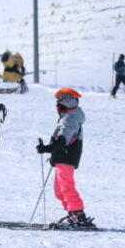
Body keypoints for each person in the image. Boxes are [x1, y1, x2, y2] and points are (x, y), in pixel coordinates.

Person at [36, 88, 95, 229]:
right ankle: (72, 213)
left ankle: (78, 214)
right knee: (59, 190)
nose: (57, 109)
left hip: (66, 158)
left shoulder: (71, 118)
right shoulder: (67, 118)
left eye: (58, 106)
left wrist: (57, 144)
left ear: (63, 105)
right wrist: (47, 148)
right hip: (62, 157)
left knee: (66, 187)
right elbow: (60, 141)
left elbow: (64, 137)